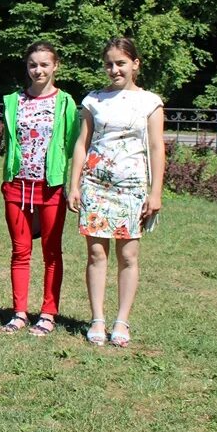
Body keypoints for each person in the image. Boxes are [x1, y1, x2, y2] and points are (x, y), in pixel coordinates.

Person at [68, 37, 164, 349]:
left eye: (121, 63)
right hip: (95, 185)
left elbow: (156, 147)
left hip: (133, 188)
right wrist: (74, 184)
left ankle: (121, 320)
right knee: (96, 254)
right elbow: (82, 144)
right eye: (109, 63)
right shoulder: (93, 100)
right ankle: (97, 318)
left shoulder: (150, 102)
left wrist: (156, 193)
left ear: (135, 64)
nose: (114, 69)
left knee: (128, 254)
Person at [0, 42, 79, 337]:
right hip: (17, 185)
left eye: (45, 64)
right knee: (20, 251)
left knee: (51, 252)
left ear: (55, 66)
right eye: (33, 64)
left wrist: (66, 179)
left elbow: (72, 145)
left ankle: (48, 313)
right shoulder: (13, 101)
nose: (39, 70)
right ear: (27, 67)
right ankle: (19, 312)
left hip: (51, 188)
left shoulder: (66, 102)